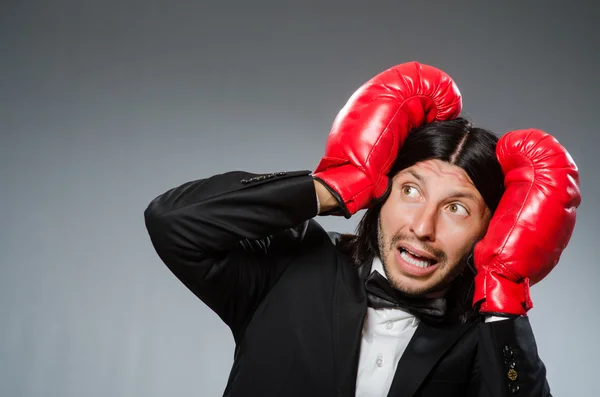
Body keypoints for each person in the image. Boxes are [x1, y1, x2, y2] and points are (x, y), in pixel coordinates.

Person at [144, 62, 580, 396]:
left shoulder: (482, 338)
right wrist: (330, 187)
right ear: (381, 190)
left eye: (456, 208)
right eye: (410, 191)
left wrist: (504, 294)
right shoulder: (291, 266)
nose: (422, 227)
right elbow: (174, 222)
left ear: (494, 227)